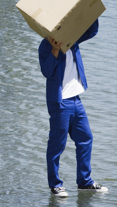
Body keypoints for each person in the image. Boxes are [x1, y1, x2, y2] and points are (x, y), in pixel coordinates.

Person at [39, 19, 108, 197]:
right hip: (60, 102)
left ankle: (84, 182)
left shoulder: (73, 39)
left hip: (76, 100)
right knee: (57, 145)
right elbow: (46, 72)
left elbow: (92, 31)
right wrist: (55, 49)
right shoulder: (45, 45)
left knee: (86, 138)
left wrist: (90, 14)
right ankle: (55, 185)